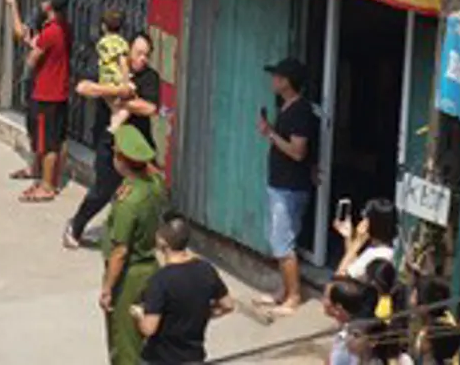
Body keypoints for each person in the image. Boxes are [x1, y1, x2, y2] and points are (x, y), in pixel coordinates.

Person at [68, 29, 161, 249]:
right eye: (138, 53)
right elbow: (82, 87)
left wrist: (124, 103)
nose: (142, 59)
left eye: (146, 55)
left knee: (152, 189)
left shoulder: (149, 77)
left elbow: (149, 108)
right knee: (103, 191)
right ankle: (75, 227)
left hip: (139, 145)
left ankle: (139, 237)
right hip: (110, 142)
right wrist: (114, 90)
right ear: (128, 51)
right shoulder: (107, 69)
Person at [256, 56, 319, 315]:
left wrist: (270, 134)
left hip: (290, 187)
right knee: (279, 240)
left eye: (278, 76)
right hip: (281, 184)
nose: (274, 80)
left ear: (287, 82)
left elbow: (297, 151)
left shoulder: (300, 111)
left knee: (283, 242)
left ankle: (293, 296)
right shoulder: (287, 106)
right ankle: (285, 291)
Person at [100, 126, 167, 365]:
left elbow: (120, 252)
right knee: (144, 341)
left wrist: (107, 288)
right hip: (151, 269)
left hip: (129, 276)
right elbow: (153, 171)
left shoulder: (128, 202)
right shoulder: (154, 185)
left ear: (121, 160)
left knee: (124, 343)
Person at [133, 211, 233, 365]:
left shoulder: (160, 281)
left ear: (162, 242)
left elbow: (149, 328)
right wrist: (205, 313)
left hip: (161, 359)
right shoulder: (206, 269)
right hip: (194, 357)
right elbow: (228, 305)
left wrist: (139, 314)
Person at [5, 0, 68, 179]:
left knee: (41, 132)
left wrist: (12, 6)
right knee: (46, 132)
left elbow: (20, 34)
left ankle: (42, 175)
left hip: (42, 84)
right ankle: (39, 170)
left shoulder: (47, 21)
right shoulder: (61, 20)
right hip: (51, 82)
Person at [15, 0, 71, 202]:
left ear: (49, 5)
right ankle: (50, 178)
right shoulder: (64, 27)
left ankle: (47, 185)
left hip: (46, 92)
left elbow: (33, 58)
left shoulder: (51, 32)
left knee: (48, 143)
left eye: (43, 0)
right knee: (56, 138)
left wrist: (30, 55)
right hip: (59, 91)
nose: (40, 4)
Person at [335, 198, 399, 281]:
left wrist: (358, 241)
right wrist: (348, 237)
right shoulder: (388, 250)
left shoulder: (376, 255)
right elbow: (355, 266)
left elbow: (339, 279)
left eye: (365, 217)